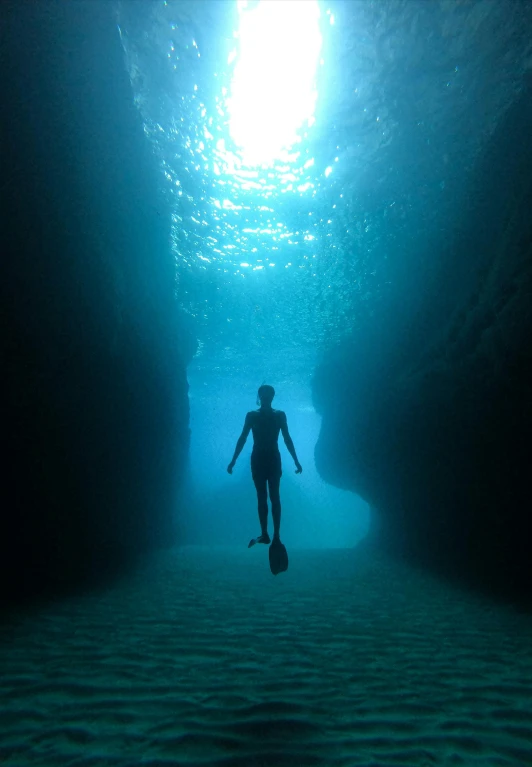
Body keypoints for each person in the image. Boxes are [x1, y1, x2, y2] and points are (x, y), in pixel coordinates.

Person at [227, 384, 302, 547]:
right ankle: (270, 534)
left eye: (268, 395)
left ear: (267, 397)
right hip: (266, 458)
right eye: (265, 394)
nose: (266, 397)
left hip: (266, 458)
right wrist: (233, 460)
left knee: (268, 496)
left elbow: (287, 439)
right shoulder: (261, 415)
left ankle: (271, 534)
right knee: (269, 496)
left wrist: (296, 460)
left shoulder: (270, 415)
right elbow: (243, 438)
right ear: (262, 397)